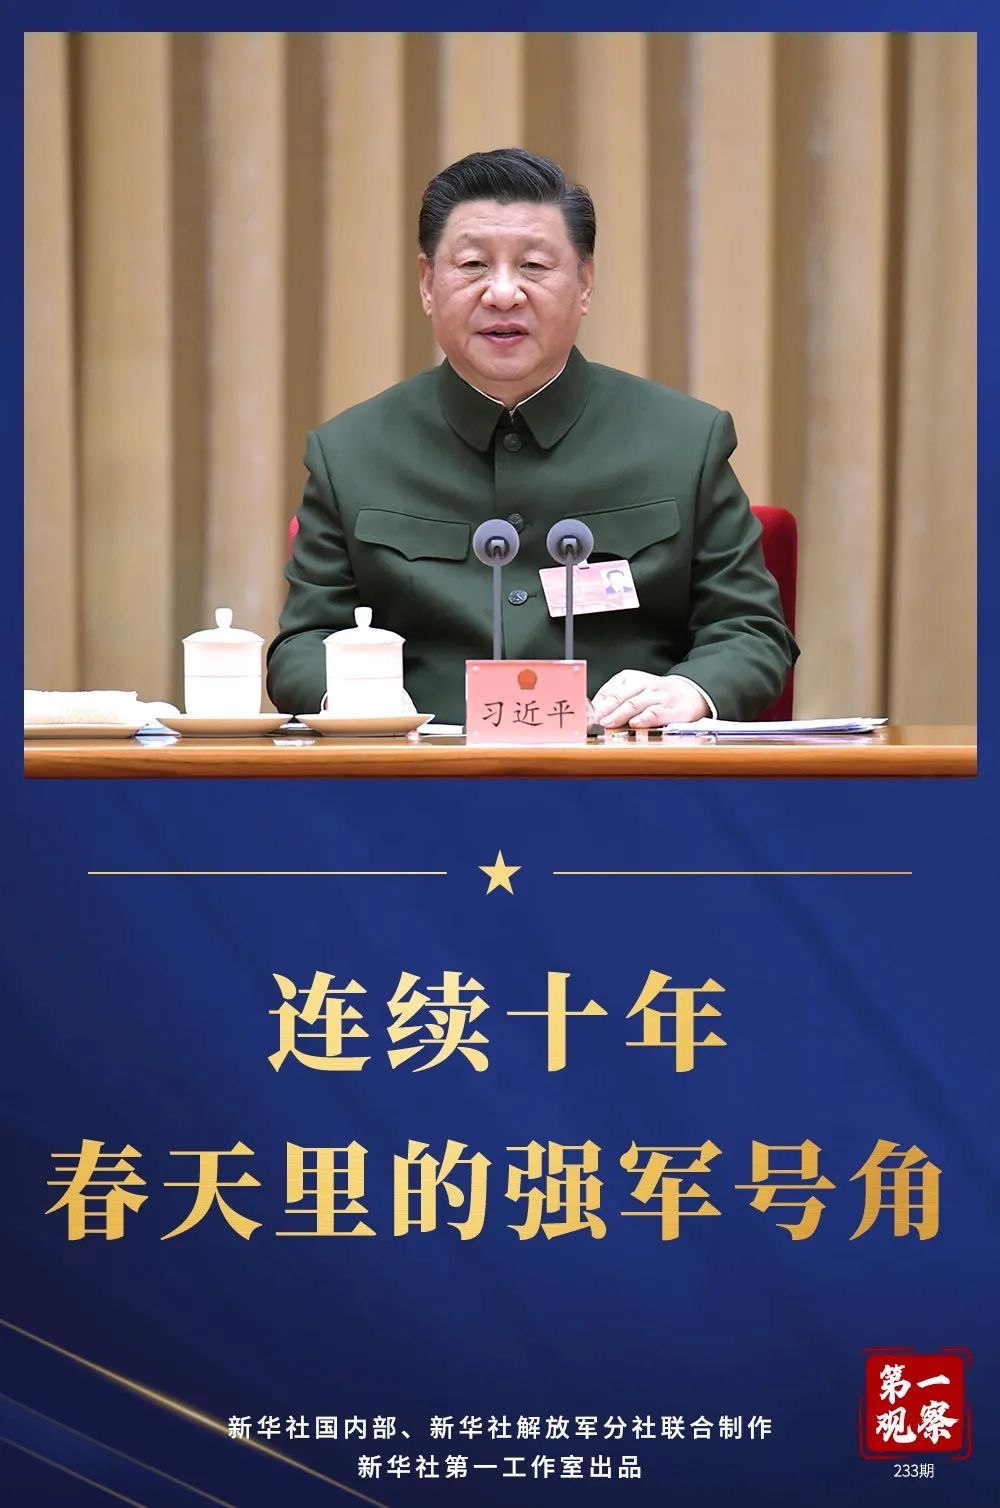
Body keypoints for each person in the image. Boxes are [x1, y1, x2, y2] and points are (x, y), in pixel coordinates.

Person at [267, 148, 798, 728]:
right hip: (423, 770)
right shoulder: (350, 453)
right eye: (473, 265)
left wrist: (688, 691)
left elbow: (750, 628)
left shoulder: (685, 441)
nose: (502, 293)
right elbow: (302, 645)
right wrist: (352, 699)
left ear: (585, 283)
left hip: (625, 769)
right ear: (427, 284)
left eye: (535, 266)